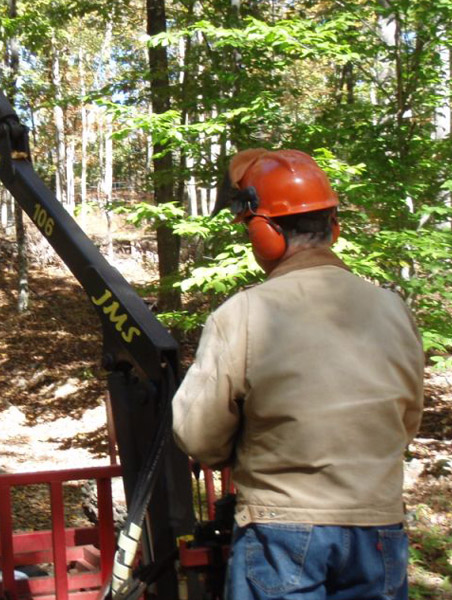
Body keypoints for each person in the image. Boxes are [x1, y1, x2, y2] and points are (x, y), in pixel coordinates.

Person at [172, 148, 425, 600]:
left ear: (265, 233)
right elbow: (406, 422)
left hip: (281, 535)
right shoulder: (393, 310)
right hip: (379, 530)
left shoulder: (242, 315)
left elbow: (198, 437)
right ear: (334, 226)